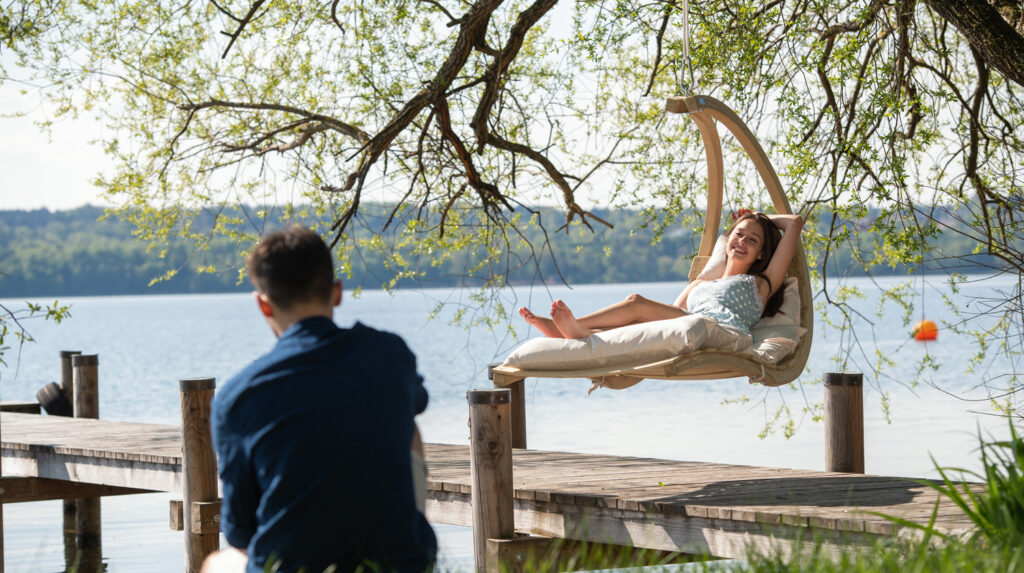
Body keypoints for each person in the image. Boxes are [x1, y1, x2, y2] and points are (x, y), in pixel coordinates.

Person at [203, 226, 437, 573]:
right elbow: (412, 404)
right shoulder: (389, 355)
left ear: (263, 305)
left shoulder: (238, 397)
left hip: (293, 565)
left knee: (216, 563)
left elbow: (241, 533)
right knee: (409, 422)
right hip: (400, 562)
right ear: (337, 291)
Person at [519, 211, 803, 340]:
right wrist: (742, 227)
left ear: (761, 255)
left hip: (719, 330)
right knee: (637, 317)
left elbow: (794, 224)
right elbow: (677, 308)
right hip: (690, 321)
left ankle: (569, 327)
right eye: (738, 235)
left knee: (636, 302)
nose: (741, 242)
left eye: (752, 241)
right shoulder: (707, 282)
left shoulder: (762, 283)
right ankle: (580, 332)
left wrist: (759, 217)